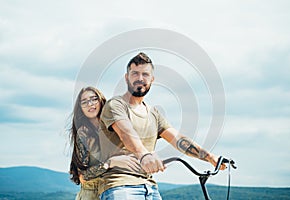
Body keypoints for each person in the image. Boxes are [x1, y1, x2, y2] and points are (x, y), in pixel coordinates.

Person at [98, 52, 226, 200]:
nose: (140, 78)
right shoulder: (116, 105)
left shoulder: (154, 114)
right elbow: (126, 133)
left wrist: (210, 157)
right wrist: (144, 155)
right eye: (135, 74)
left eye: (145, 74)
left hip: (149, 187)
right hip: (120, 185)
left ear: (152, 79)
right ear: (127, 77)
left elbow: (178, 139)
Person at [68, 86, 140, 200]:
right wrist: (110, 163)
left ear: (101, 100)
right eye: (84, 102)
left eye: (93, 99)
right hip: (92, 195)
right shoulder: (83, 133)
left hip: (116, 188)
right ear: (80, 108)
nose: (90, 104)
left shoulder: (114, 126)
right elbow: (83, 176)